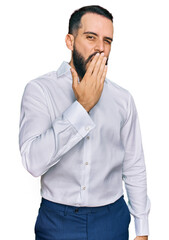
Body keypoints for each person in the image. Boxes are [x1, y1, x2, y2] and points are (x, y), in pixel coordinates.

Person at [19, 5, 150, 240]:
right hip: (56, 221)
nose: (100, 48)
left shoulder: (123, 99)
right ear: (70, 41)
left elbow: (134, 164)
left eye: (107, 40)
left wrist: (142, 228)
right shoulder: (39, 90)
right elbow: (33, 162)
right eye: (91, 37)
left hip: (111, 219)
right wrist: (81, 107)